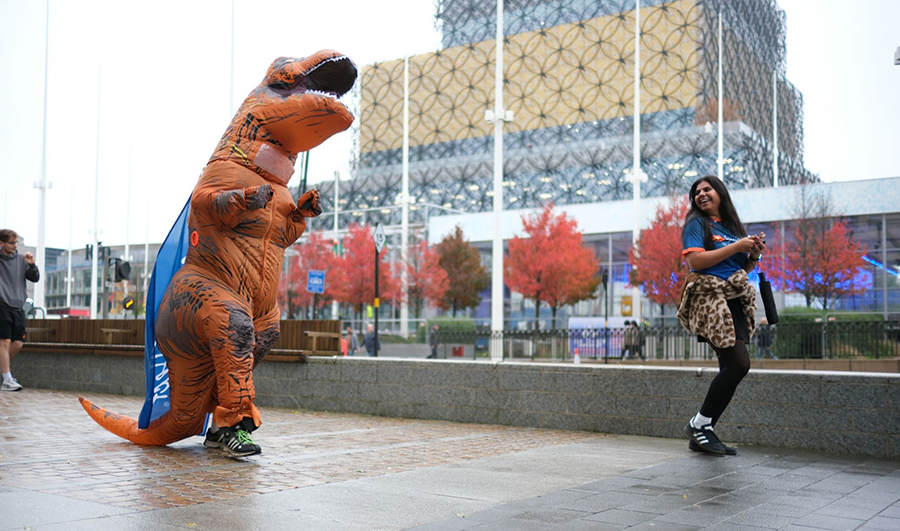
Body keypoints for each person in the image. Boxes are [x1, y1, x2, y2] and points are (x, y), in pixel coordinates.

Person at [677, 176, 765, 456]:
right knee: (739, 364)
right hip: (710, 301)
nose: (701, 194)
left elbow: (736, 267)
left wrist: (752, 255)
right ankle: (699, 424)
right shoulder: (697, 224)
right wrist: (737, 246)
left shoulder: (730, 229)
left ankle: (703, 431)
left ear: (720, 194)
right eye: (697, 192)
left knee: (730, 367)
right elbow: (695, 261)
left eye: (707, 189)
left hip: (734, 301)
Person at [0, 229, 40, 392]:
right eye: (11, 243)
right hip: (2, 305)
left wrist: (31, 264)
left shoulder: (21, 260)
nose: (15, 246)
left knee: (18, 344)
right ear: (1, 243)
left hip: (18, 307)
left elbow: (34, 278)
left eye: (16, 242)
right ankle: (7, 378)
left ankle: (5, 372)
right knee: (5, 341)